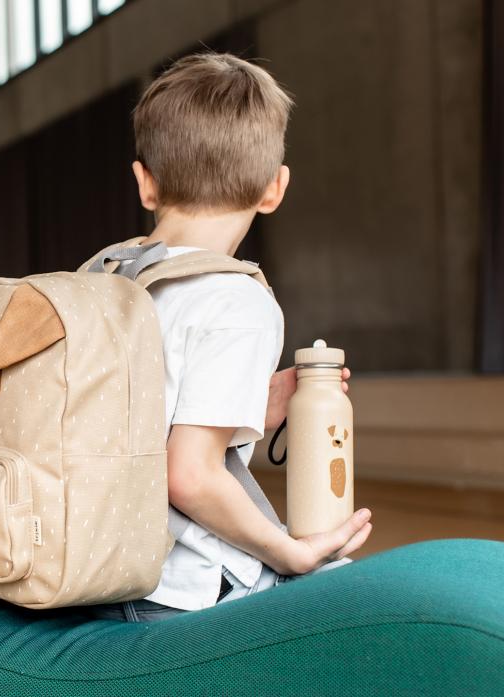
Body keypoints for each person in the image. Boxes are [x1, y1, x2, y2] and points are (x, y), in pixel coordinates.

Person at [84, 51, 373, 623]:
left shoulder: (106, 276)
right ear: (274, 189)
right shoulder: (237, 300)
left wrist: (256, 406)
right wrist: (288, 551)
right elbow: (188, 475)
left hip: (96, 567)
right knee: (347, 587)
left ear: (145, 184)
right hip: (175, 593)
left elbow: (140, 421)